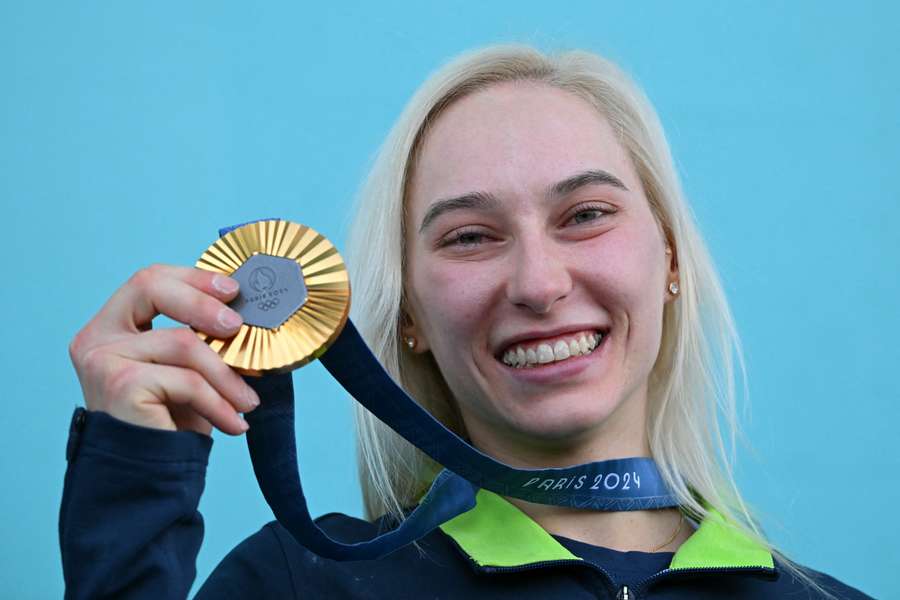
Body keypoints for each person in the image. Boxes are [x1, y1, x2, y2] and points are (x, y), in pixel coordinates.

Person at [61, 45, 872, 599]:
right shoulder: (299, 582)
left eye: (586, 214)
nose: (539, 283)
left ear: (669, 260)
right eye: (470, 237)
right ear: (409, 314)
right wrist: (133, 482)